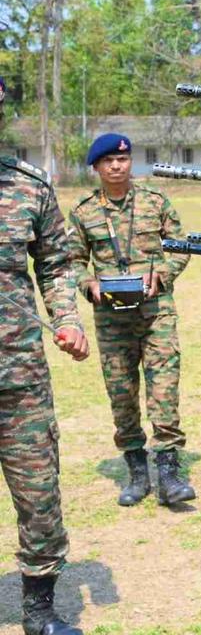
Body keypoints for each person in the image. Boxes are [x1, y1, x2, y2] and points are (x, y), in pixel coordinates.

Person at [66, 134, 194, 507]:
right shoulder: (84, 211)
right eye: (108, 161)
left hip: (156, 314)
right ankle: (137, 472)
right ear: (97, 168)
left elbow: (180, 246)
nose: (116, 166)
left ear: (130, 162)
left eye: (122, 159)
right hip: (111, 318)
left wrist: (164, 274)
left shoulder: (156, 202)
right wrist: (87, 283)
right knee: (122, 396)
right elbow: (73, 260)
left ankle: (169, 473)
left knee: (164, 391)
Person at [0, 152, 91, 635]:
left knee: (39, 497)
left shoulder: (28, 185)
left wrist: (67, 319)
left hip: (19, 377)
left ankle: (39, 611)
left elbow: (56, 264)